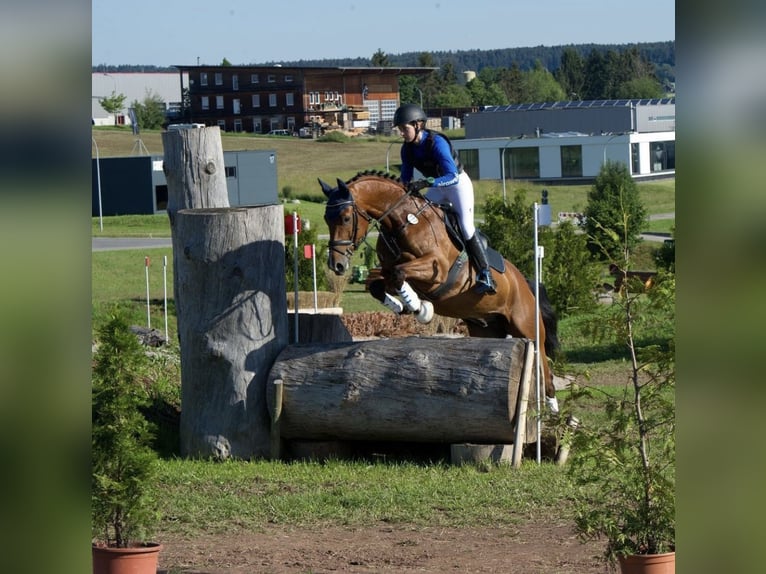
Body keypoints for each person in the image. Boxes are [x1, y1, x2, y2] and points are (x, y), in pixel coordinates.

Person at [394, 103, 496, 294]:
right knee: (421, 218)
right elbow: (405, 179)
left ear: (417, 125)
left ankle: (485, 274)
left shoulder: (436, 143)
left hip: (457, 185)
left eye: (404, 128)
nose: (401, 133)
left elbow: (452, 176)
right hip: (437, 188)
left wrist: (425, 183)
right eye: (399, 129)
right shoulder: (407, 149)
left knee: (466, 227)